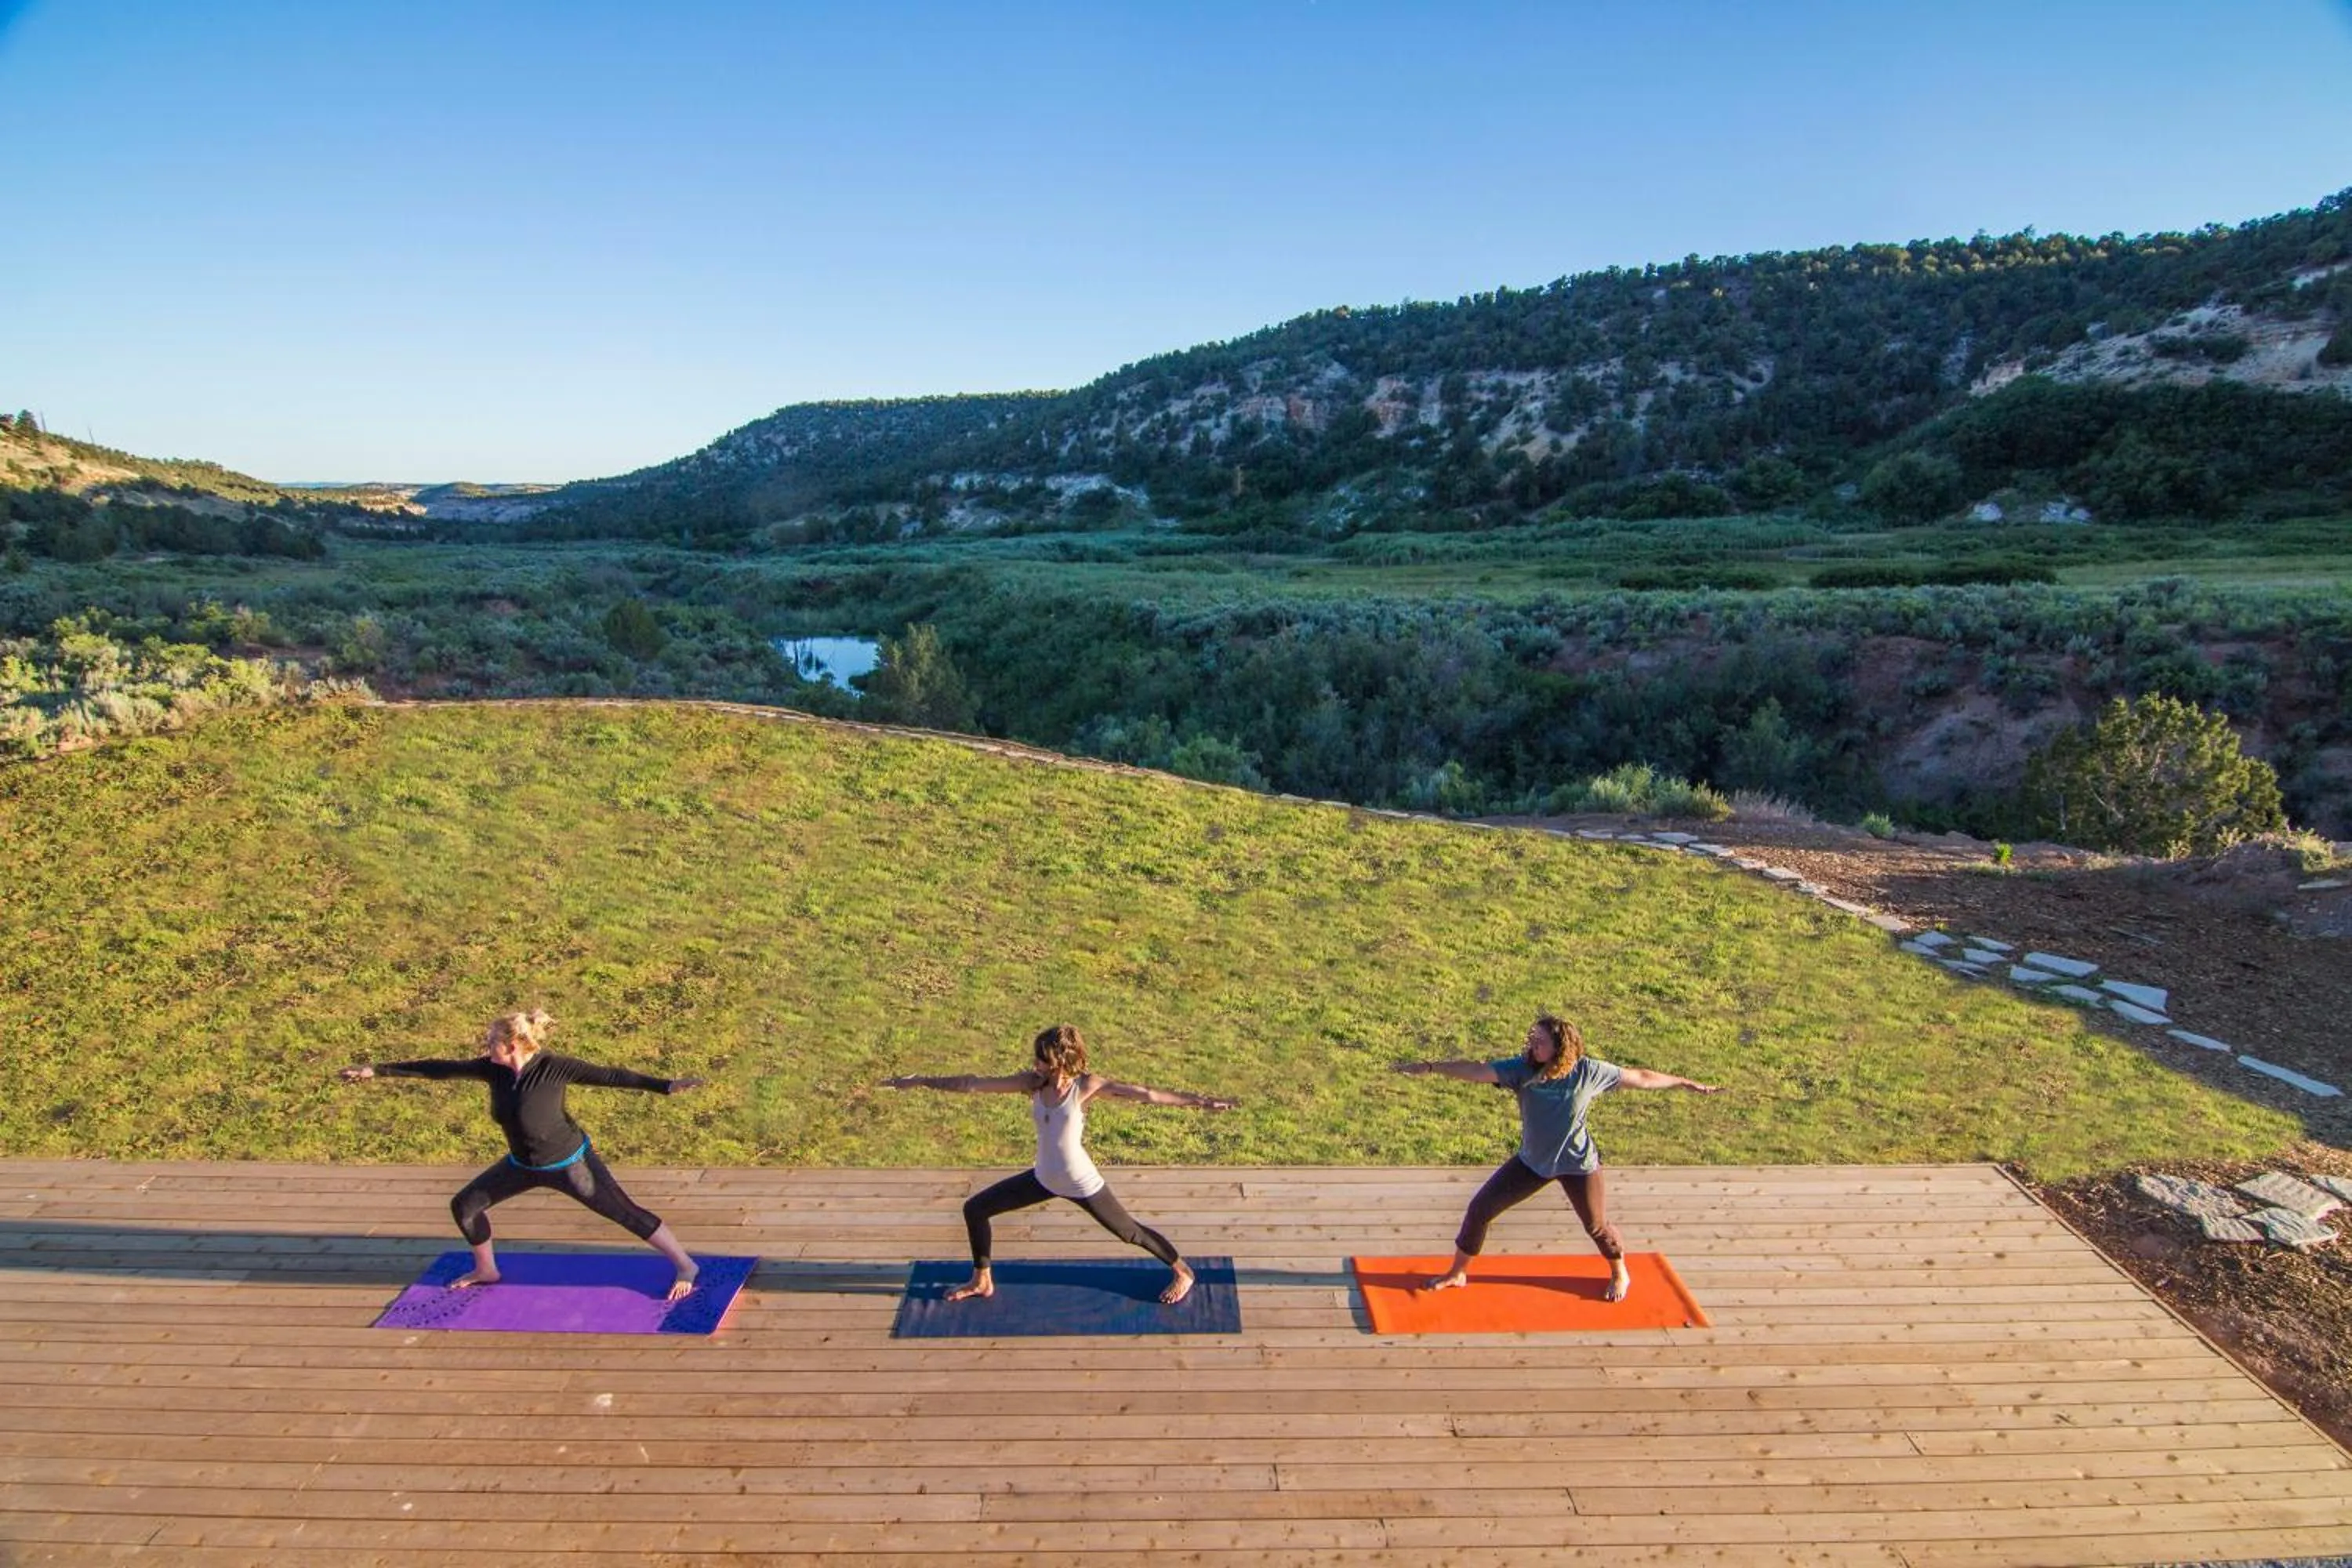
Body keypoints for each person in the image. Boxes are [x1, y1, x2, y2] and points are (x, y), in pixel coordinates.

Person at [339, 1010, 707, 1301]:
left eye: (490, 1042)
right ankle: (487, 1271)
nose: (485, 1047)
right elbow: (438, 1068)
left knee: (625, 1213)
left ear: (513, 1044)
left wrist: (666, 1086)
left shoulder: (554, 1067)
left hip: (571, 1165)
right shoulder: (492, 1071)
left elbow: (612, 1076)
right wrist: (377, 1070)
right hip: (521, 1165)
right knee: (464, 1206)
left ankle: (686, 1266)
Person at [882, 1024, 1237, 1306]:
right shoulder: (1031, 1084)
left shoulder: (1086, 1087)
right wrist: (920, 1082)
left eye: (1042, 1059)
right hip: (1043, 1178)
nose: (1035, 1064)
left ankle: (1183, 1272)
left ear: (1063, 1061)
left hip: (1081, 1182)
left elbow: (1147, 1095)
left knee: (1130, 1233)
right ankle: (982, 1278)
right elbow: (972, 1085)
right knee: (975, 1209)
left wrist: (1202, 1102)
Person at [1394, 1013, 1720, 1301]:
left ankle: (1620, 1272)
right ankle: (1458, 1273)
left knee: (1596, 1226)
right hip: (1532, 1162)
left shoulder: (1589, 1072)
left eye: (1539, 1041)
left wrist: (1683, 1082)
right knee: (1480, 1209)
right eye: (1531, 1039)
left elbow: (1642, 1077)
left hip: (1578, 1164)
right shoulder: (1520, 1070)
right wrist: (1431, 1067)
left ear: (1560, 1046)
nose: (1532, 1045)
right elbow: (1477, 1070)